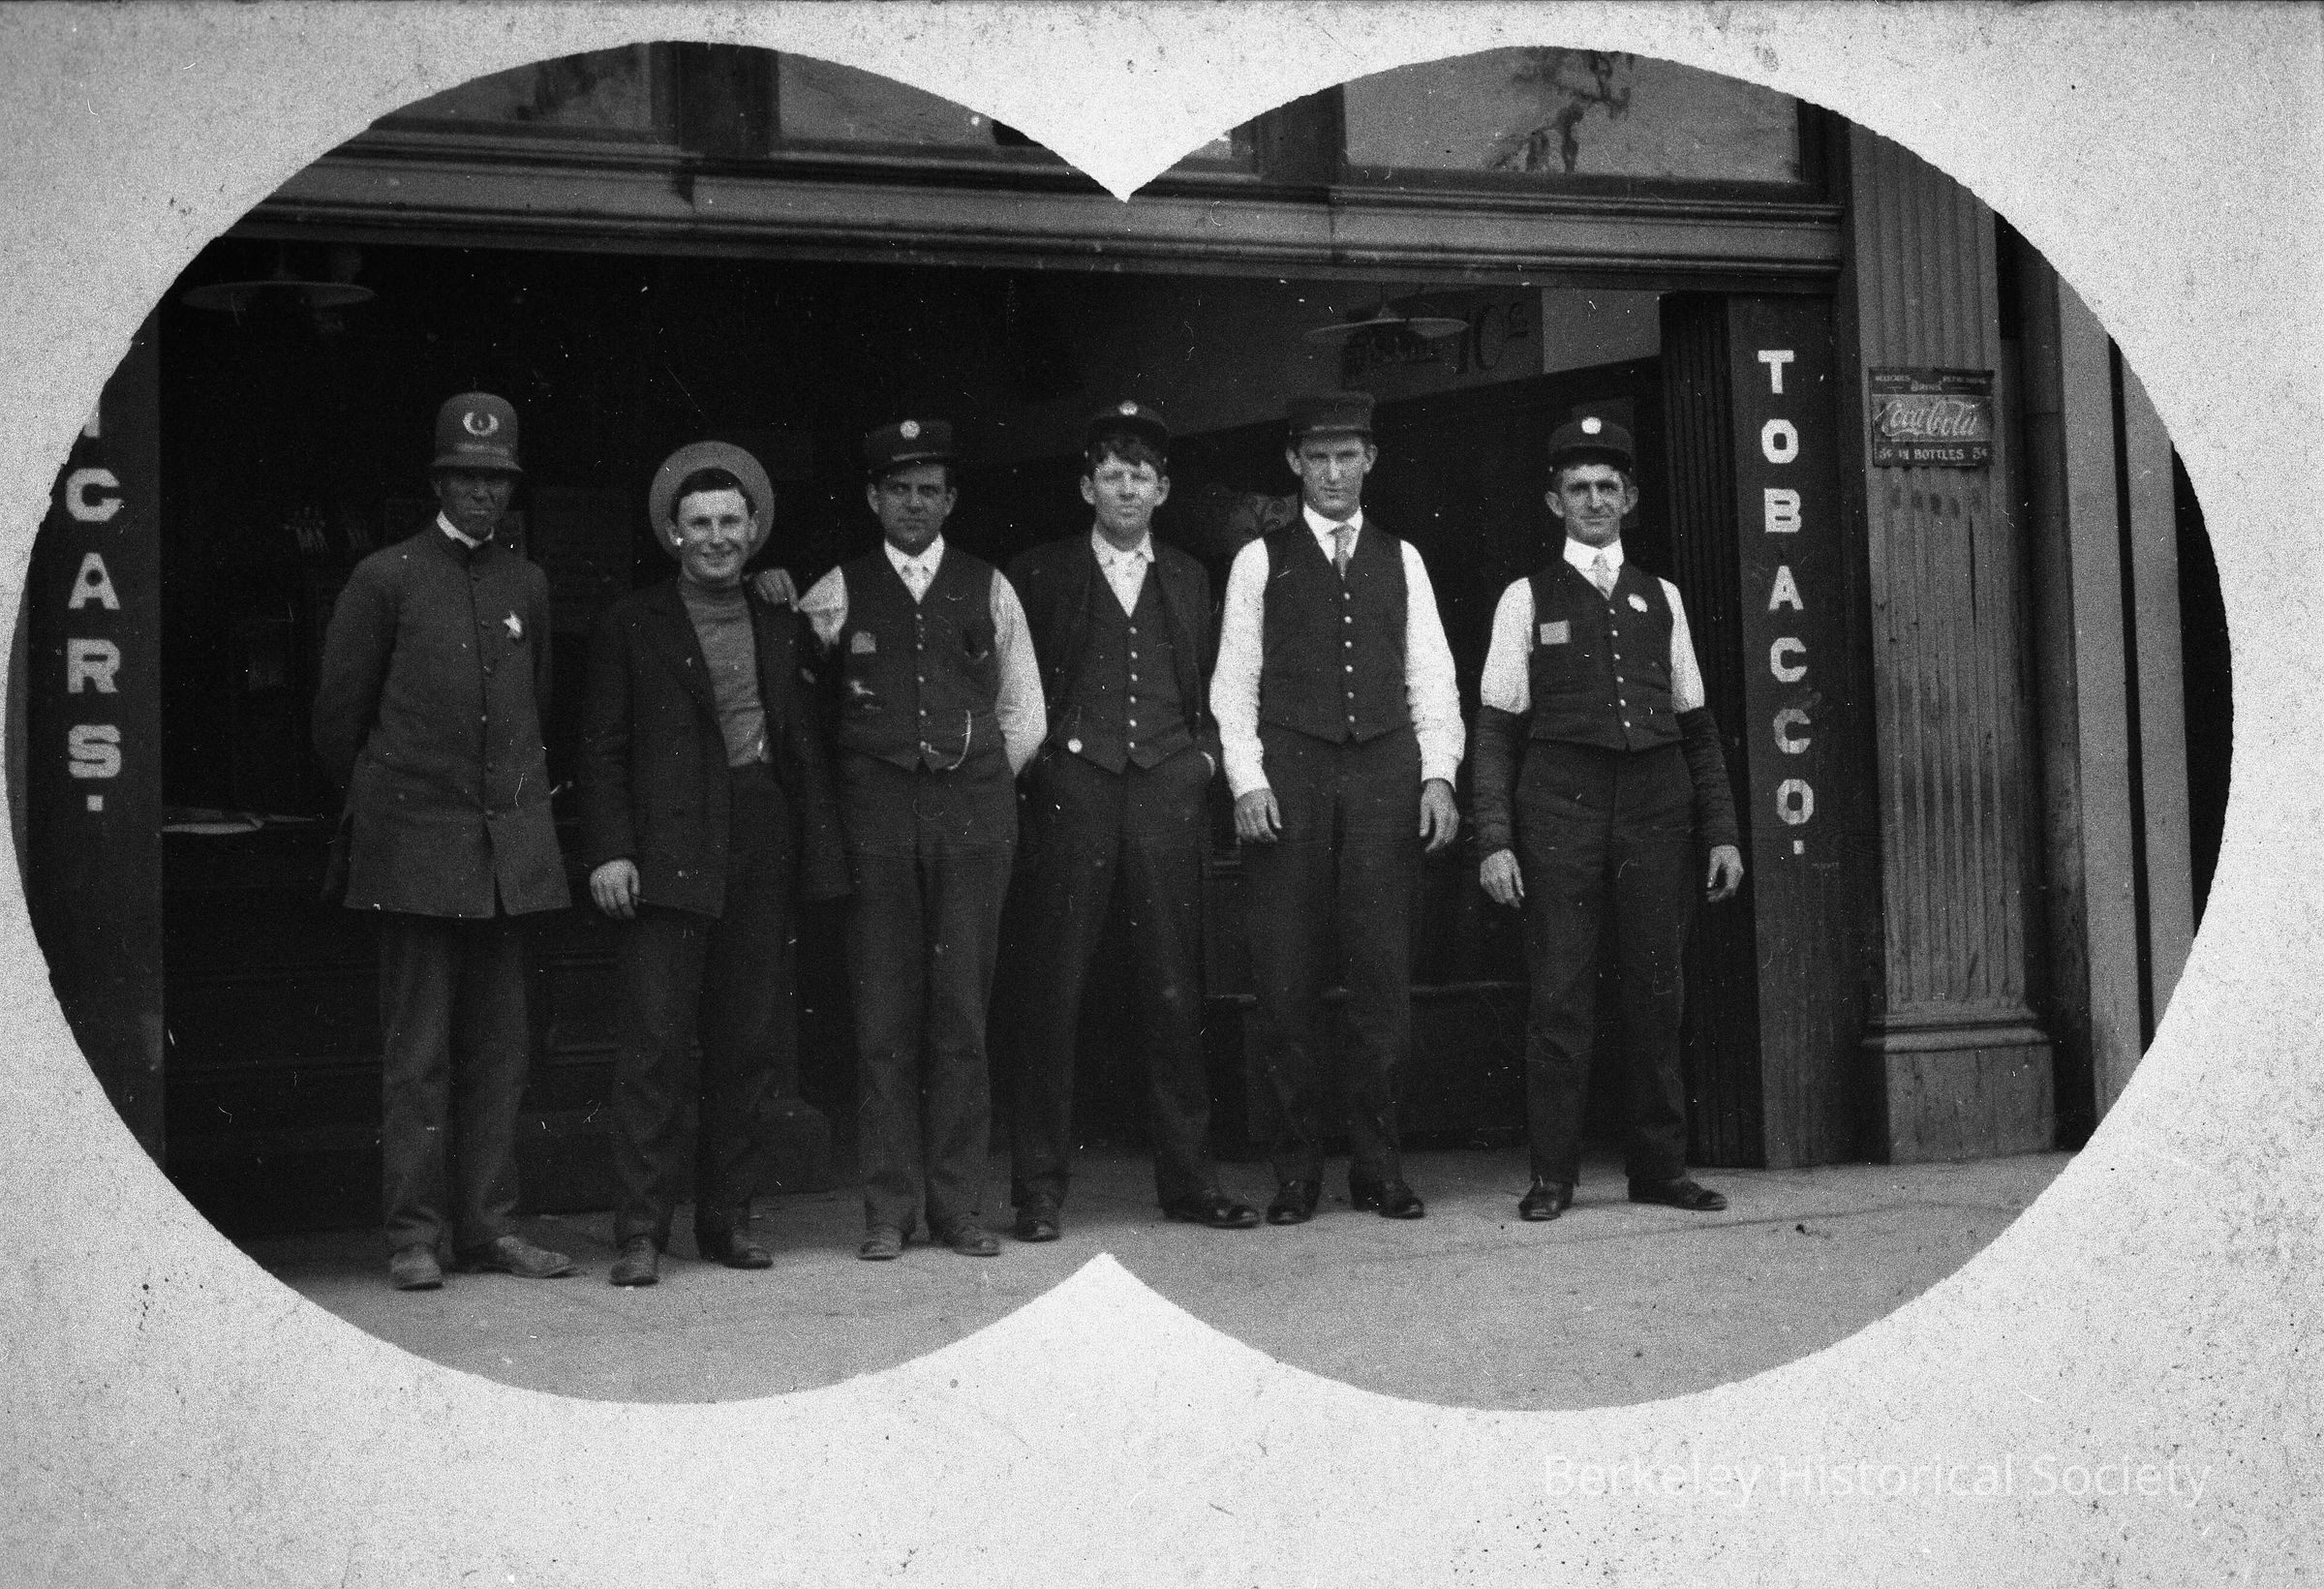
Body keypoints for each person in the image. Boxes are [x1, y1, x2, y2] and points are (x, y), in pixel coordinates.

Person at [312, 391, 577, 1291]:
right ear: (437, 481)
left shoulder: (527, 584)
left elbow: (537, 705)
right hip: (413, 851)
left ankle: (490, 1228)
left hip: (507, 857)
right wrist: (395, 808)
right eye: (466, 477)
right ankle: (414, 1236)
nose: (483, 493)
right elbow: (338, 723)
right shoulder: (384, 577)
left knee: (501, 1054)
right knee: (418, 1055)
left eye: (497, 480)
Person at [575, 443, 849, 1287]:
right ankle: (640, 1231)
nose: (717, 537)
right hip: (668, 846)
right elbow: (602, 746)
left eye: (732, 521)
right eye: (700, 523)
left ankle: (727, 1219)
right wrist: (611, 848)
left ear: (754, 529)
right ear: (672, 533)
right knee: (654, 1047)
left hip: (759, 836)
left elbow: (810, 730)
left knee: (747, 1042)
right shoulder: (633, 621)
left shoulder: (779, 616)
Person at [994, 400, 1259, 1242]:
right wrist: (1046, 767)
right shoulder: (1039, 571)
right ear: (1087, 487)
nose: (1126, 489)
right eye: (1111, 475)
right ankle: (1039, 1190)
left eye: (1141, 475)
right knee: (1053, 992)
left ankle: (1191, 1182)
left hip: (1165, 794)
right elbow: (1017, 688)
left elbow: (1213, 684)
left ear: (1163, 488)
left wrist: (1202, 762)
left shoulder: (1188, 574)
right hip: (1074, 794)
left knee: (1175, 992)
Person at [1470, 414, 1745, 1221]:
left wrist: (1722, 831)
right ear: (1554, 501)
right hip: (1560, 807)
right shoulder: (1525, 598)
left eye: (1607, 487)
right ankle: (1552, 1176)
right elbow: (1496, 727)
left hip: (1656, 807)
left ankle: (1659, 1168)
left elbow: (1696, 723)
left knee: (1658, 990)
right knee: (1559, 992)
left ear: (1629, 498)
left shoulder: (1663, 597)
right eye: (1578, 488)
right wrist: (1495, 838)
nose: (1593, 500)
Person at [1209, 390, 1464, 1225]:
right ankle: (1296, 1174)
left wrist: (1439, 774)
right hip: (1291, 779)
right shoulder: (1259, 561)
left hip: (1386, 774)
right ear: (1294, 462)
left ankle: (1379, 1169)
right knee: (1286, 984)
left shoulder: (1404, 557)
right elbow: (1233, 683)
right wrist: (1247, 779)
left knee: (1382, 982)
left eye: (1346, 455)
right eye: (1315, 457)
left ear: (1369, 459)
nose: (1331, 472)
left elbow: (1432, 675)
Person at [797, 418, 1045, 1260]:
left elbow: (1024, 712)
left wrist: (973, 779)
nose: (913, 503)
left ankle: (958, 1207)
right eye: (898, 489)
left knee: (961, 1016)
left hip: (972, 821)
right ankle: (888, 1210)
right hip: (875, 822)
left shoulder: (990, 587)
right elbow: (805, 714)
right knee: (883, 1019)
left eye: (928, 490)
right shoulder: (836, 590)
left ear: (951, 499)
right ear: (873, 498)